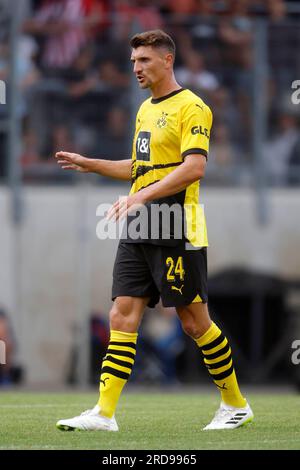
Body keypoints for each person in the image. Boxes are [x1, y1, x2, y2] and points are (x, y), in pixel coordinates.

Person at [55, 29, 253, 431]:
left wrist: (142, 197)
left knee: (194, 322)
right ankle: (104, 413)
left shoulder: (193, 107)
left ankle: (235, 404)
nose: (136, 68)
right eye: (132, 62)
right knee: (121, 314)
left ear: (167, 60)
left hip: (177, 222)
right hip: (141, 221)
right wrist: (91, 163)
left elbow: (194, 167)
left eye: (144, 60)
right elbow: (140, 168)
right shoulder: (145, 109)